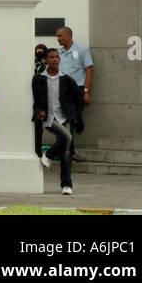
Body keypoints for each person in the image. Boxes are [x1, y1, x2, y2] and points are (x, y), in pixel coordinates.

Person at [33, 47, 84, 196]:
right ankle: (47, 155)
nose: (55, 59)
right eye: (51, 57)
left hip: (64, 117)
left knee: (67, 153)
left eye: (56, 57)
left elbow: (79, 98)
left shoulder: (66, 79)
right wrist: (39, 111)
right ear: (46, 60)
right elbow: (35, 100)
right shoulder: (39, 79)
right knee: (67, 137)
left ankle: (66, 185)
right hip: (48, 117)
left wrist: (73, 114)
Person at [56, 27, 93, 160]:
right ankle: (70, 152)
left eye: (60, 36)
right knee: (67, 120)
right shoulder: (58, 53)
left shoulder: (82, 51)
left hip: (78, 89)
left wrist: (86, 91)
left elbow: (89, 70)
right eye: (57, 36)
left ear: (68, 36)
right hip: (63, 91)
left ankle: (78, 121)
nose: (58, 39)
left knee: (73, 118)